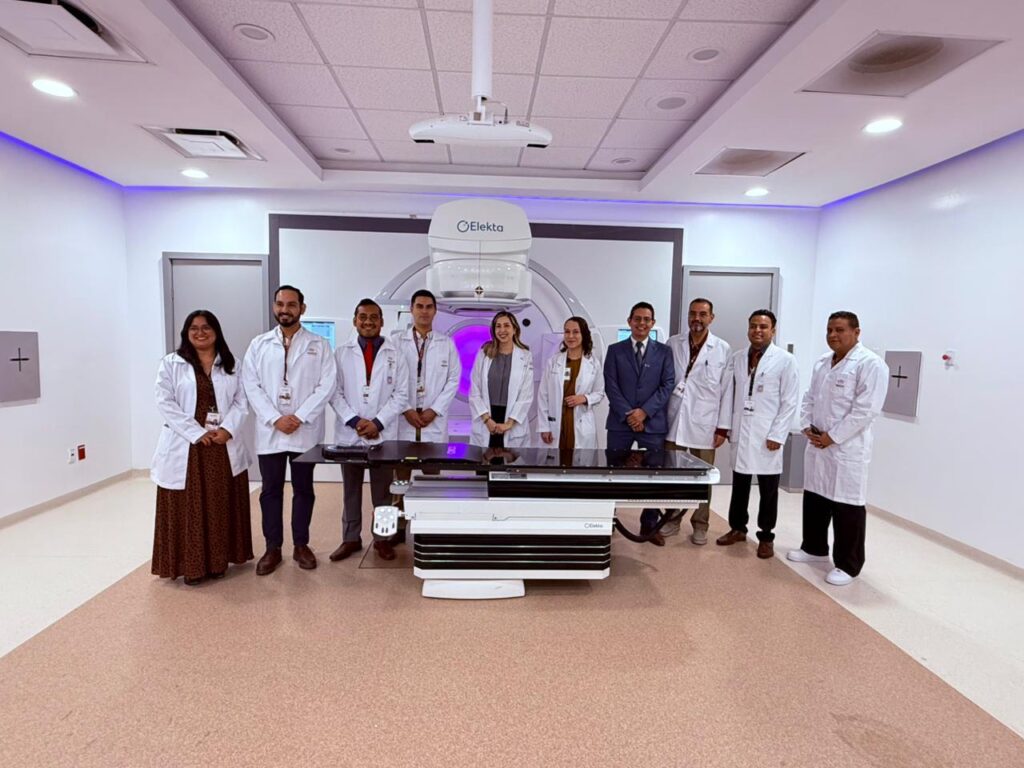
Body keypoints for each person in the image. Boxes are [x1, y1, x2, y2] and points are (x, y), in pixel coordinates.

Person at [151, 310, 253, 585]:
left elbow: (242, 401)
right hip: (187, 444)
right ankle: (192, 566)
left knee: (219, 503)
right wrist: (196, 433)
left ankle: (218, 562)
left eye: (206, 327)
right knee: (189, 506)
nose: (200, 332)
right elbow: (165, 402)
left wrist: (228, 429)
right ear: (186, 333)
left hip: (221, 444)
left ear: (216, 331)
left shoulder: (232, 364)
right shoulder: (171, 363)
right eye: (193, 328)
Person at [787, 311, 889, 586]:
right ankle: (814, 548)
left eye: (840, 330)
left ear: (856, 332)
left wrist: (832, 437)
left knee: (847, 506)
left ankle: (848, 564)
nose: (833, 335)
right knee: (815, 498)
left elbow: (866, 410)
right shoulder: (823, 362)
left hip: (846, 449)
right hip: (818, 443)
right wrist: (806, 426)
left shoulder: (870, 364)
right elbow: (809, 397)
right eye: (830, 330)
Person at [242, 285, 336, 576]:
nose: (285, 310)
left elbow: (327, 385)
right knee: (270, 491)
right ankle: (272, 548)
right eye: (280, 304)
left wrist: (299, 416)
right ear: (274, 307)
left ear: (302, 309)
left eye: (292, 304)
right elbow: (251, 384)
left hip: (304, 431)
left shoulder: (319, 345)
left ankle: (301, 545)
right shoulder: (258, 345)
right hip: (271, 432)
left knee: (303, 489)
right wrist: (275, 418)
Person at [328, 299, 409, 562]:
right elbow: (334, 392)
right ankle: (350, 538)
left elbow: (401, 394)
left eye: (374, 317)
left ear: (382, 321)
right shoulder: (341, 353)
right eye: (363, 317)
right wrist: (354, 421)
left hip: (382, 433)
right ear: (355, 321)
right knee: (351, 490)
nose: (368, 322)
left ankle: (382, 539)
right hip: (350, 434)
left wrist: (378, 423)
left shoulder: (396, 354)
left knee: (383, 492)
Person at [716, 310, 799, 559]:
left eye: (763, 327)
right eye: (753, 326)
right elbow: (728, 395)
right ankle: (737, 528)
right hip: (742, 430)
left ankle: (766, 536)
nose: (757, 331)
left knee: (768, 490)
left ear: (773, 330)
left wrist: (778, 434)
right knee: (739, 486)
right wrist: (726, 426)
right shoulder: (738, 357)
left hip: (767, 435)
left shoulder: (785, 360)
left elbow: (790, 401)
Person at [391, 289, 462, 540]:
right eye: (419, 306)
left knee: (433, 475)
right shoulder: (395, 342)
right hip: (405, 417)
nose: (424, 311)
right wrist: (406, 409)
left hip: (433, 419)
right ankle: (398, 526)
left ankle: (432, 526)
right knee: (400, 476)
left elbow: (453, 379)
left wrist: (435, 409)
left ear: (435, 310)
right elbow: (389, 379)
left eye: (428, 306)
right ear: (411, 309)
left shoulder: (446, 344)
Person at [603, 301, 675, 545]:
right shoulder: (615, 350)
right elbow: (611, 385)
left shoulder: (664, 352)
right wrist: (629, 414)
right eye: (637, 319)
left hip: (652, 423)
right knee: (612, 473)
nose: (641, 323)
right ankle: (609, 520)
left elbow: (667, 385)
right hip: (620, 423)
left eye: (646, 319)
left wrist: (644, 412)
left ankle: (650, 524)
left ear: (652, 323)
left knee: (653, 475)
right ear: (629, 321)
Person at [663, 298, 731, 544]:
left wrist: (723, 427)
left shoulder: (722, 348)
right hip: (674, 419)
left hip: (706, 423)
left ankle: (700, 523)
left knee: (703, 477)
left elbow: (726, 390)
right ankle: (672, 519)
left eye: (703, 314)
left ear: (711, 317)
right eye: (693, 313)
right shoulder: (673, 343)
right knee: (673, 476)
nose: (697, 318)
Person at [538, 317, 605, 450]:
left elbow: (599, 393)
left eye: (575, 332)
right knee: (557, 459)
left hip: (581, 421)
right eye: (567, 332)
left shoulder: (593, 363)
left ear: (584, 334)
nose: (570, 336)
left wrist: (584, 398)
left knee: (579, 461)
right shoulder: (553, 362)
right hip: (557, 421)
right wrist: (544, 427)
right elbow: (543, 395)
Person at [469, 311, 534, 448]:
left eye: (506, 325)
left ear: (514, 329)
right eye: (498, 326)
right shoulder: (484, 353)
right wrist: (487, 420)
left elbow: (526, 394)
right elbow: (475, 390)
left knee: (511, 460)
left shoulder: (525, 356)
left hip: (512, 419)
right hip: (487, 419)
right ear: (494, 330)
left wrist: (509, 423)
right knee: (484, 459)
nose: (502, 330)